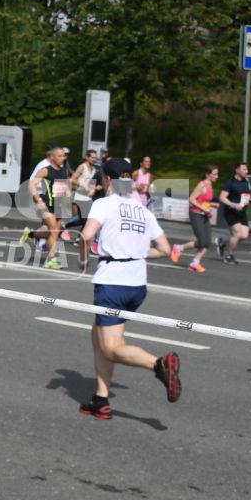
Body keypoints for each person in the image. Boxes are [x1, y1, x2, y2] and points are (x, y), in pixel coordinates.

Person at [77, 158, 182, 418]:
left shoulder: (103, 203)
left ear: (108, 180)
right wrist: (134, 253)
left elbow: (86, 236)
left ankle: (159, 364)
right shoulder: (142, 209)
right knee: (98, 334)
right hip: (137, 284)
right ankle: (101, 398)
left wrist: (82, 259)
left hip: (113, 282)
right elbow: (166, 250)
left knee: (111, 348)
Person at [22, 145, 71, 269]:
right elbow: (32, 184)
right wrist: (38, 199)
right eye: (59, 156)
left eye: (63, 156)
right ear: (52, 157)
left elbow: (65, 187)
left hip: (59, 204)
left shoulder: (63, 170)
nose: (62, 158)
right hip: (46, 204)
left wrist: (68, 198)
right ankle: (51, 260)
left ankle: (32, 234)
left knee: (54, 232)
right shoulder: (45, 170)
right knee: (54, 231)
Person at [217, 161, 251, 263]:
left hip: (242, 212)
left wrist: (250, 200)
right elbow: (222, 197)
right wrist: (234, 205)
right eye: (244, 169)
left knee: (244, 236)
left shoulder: (247, 181)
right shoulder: (230, 183)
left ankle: (223, 242)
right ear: (237, 170)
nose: (246, 171)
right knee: (237, 233)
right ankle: (229, 256)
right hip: (230, 211)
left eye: (246, 169)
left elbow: (245, 195)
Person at [185, 166, 218, 273]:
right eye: (214, 174)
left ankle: (195, 262)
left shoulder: (210, 185)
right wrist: (205, 209)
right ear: (207, 174)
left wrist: (212, 205)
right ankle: (179, 248)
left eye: (217, 174)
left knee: (207, 242)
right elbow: (191, 199)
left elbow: (203, 200)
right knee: (202, 241)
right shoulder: (202, 184)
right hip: (196, 214)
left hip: (204, 215)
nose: (216, 176)